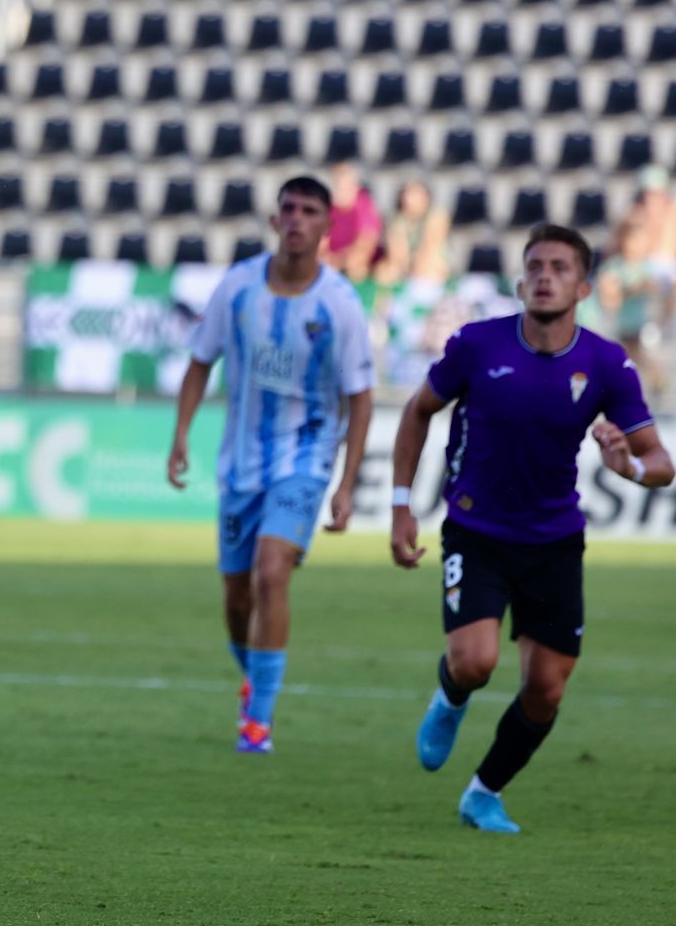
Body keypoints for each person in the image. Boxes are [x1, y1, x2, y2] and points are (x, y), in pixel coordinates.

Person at [391, 223, 671, 834]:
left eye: (560, 267)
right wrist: (399, 505)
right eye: (535, 266)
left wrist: (627, 465)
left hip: (553, 542)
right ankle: (451, 697)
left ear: (583, 285)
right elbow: (418, 412)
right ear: (520, 281)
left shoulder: (605, 363)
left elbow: (662, 465)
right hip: (477, 529)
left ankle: (483, 793)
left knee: (546, 690)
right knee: (475, 663)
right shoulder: (476, 345)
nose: (545, 276)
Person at [167, 175, 375, 753]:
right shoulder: (236, 288)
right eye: (289, 209)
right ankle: (252, 681)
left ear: (327, 227)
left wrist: (347, 482)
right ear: (274, 219)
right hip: (240, 462)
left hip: (305, 455)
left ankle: (257, 721)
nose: (298, 219)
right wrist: (181, 433)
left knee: (271, 570)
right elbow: (199, 362)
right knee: (237, 599)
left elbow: (360, 397)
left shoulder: (339, 304)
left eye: (310, 211)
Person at [593, 217, 669, 400]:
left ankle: (655, 386)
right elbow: (609, 295)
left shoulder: (648, 266)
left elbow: (656, 287)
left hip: (640, 324)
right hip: (619, 324)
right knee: (622, 359)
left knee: (638, 356)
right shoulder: (615, 267)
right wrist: (631, 290)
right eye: (632, 240)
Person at [375, 178, 449, 289]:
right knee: (383, 271)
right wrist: (404, 267)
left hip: (429, 261)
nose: (409, 198)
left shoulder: (437, 216)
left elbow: (431, 246)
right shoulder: (397, 221)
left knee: (430, 265)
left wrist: (416, 267)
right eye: (408, 193)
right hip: (408, 265)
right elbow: (397, 254)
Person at [323, 161, 382, 283]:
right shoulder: (328, 208)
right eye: (338, 185)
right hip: (333, 262)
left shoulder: (364, 207)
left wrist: (338, 262)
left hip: (354, 265)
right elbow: (321, 241)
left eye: (346, 186)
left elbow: (365, 244)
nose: (341, 190)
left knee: (356, 267)